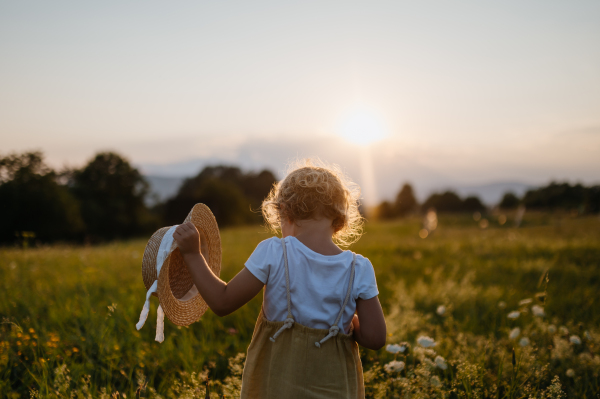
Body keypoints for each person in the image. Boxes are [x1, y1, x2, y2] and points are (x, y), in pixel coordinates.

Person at [174, 159, 386, 398]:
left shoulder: (274, 252)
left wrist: (193, 254)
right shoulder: (359, 267)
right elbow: (376, 338)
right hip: (335, 387)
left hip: (276, 385)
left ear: (284, 211)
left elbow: (222, 302)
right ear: (340, 221)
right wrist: (348, 321)